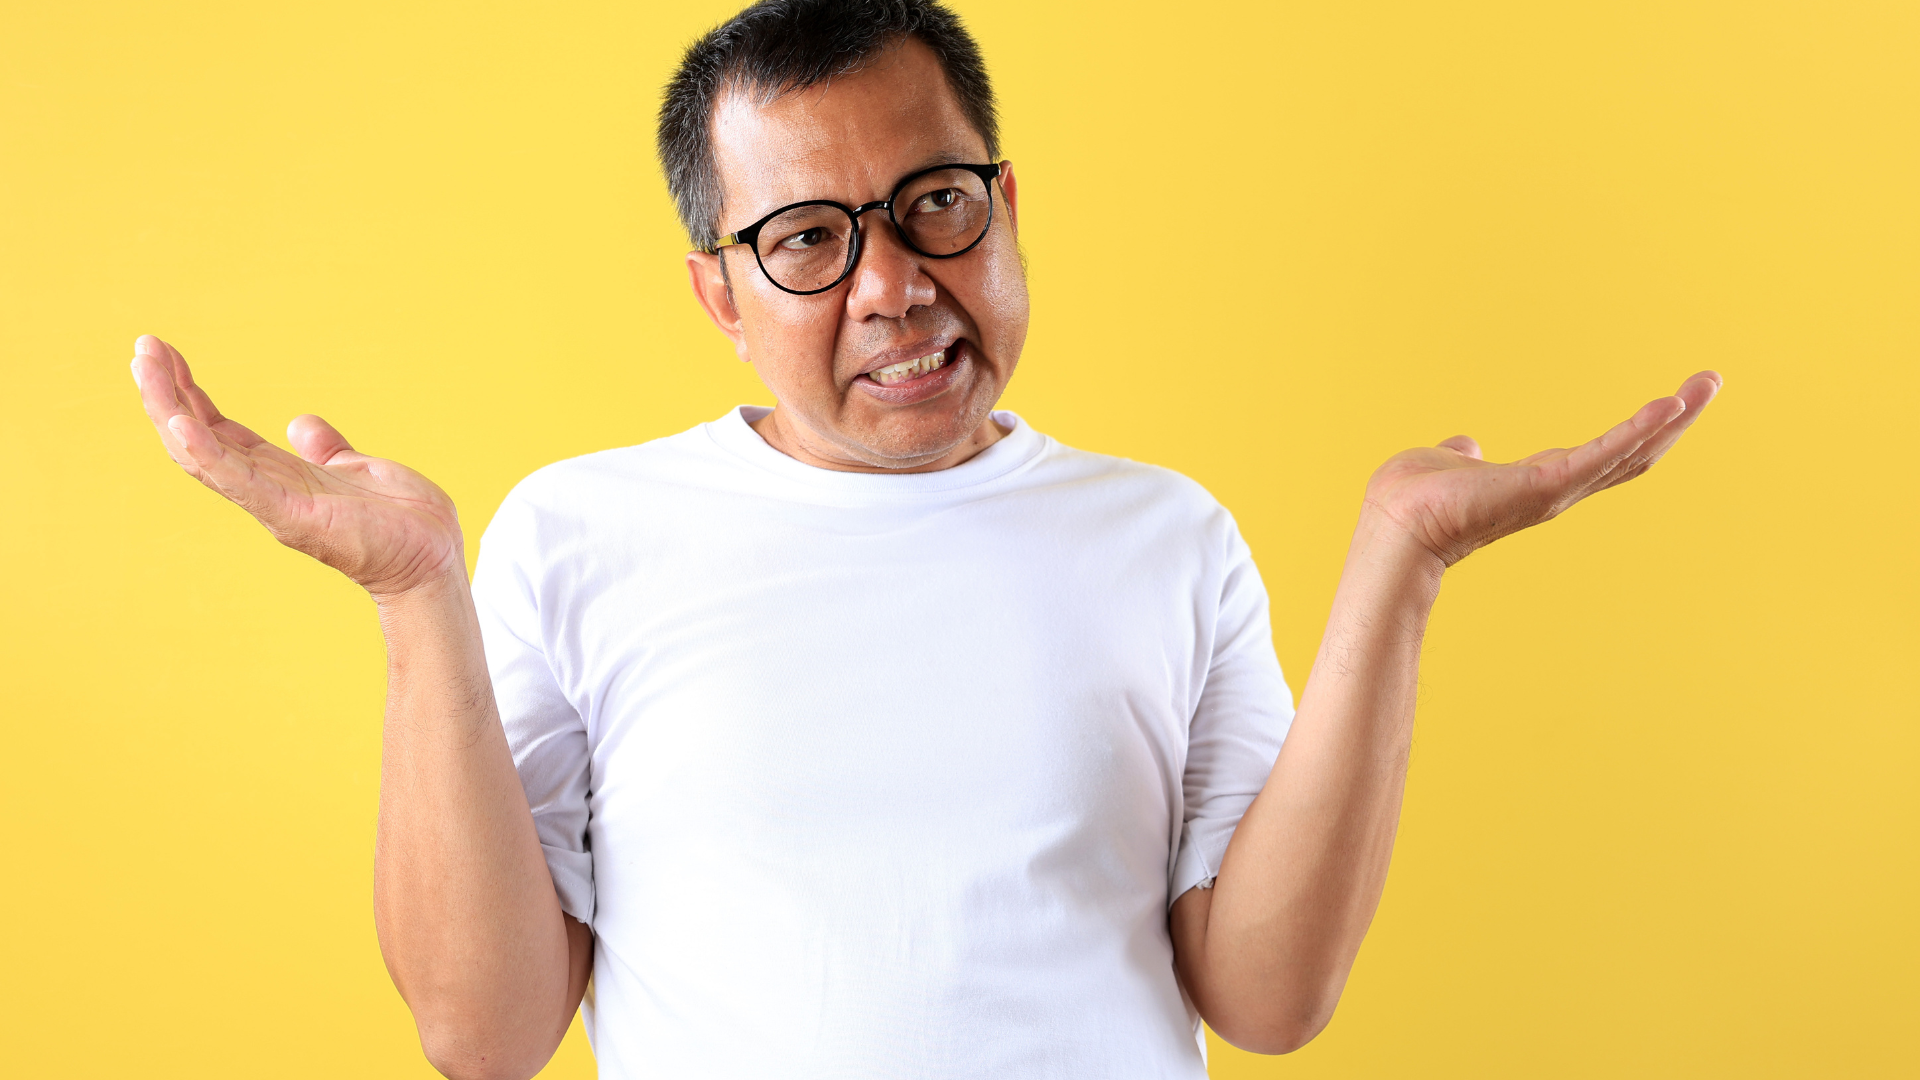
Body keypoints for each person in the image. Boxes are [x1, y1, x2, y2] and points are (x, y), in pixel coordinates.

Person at [128, 1, 1721, 1077]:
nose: (892, 284)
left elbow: (1267, 997)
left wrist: (1401, 567)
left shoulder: (1161, 535)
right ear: (719, 291)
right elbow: (487, 1033)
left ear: (1008, 203)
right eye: (808, 240)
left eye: (936, 204)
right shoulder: (581, 532)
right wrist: (419, 597)